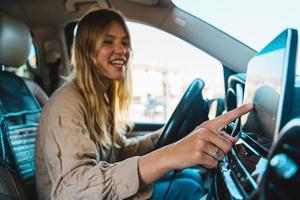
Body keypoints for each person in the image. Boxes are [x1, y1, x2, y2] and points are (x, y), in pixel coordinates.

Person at [35, 8, 253, 200]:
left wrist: (167, 135)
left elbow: (118, 152)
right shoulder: (66, 102)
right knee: (188, 187)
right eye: (108, 41)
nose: (121, 50)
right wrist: (170, 154)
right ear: (87, 50)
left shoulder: (99, 98)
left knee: (191, 177)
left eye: (125, 42)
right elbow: (73, 190)